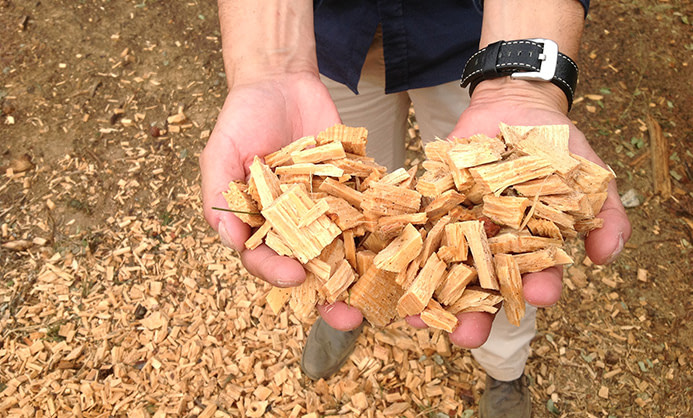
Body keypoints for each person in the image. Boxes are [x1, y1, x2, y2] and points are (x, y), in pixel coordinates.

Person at [200, 1, 632, 416]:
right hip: (325, 41)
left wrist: (522, 82)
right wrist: (272, 62)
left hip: (475, 41)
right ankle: (342, 293)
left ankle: (505, 368)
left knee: (501, 267)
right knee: (358, 193)